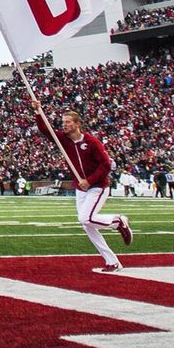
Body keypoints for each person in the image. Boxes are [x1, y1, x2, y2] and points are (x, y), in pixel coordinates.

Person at [34, 109, 132, 273]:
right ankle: (112, 262)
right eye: (63, 122)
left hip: (98, 186)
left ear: (77, 124)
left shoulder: (92, 142)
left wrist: (90, 180)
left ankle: (118, 221)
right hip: (80, 188)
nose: (64, 125)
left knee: (86, 218)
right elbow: (45, 130)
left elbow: (106, 165)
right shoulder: (63, 140)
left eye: (68, 122)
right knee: (87, 225)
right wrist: (37, 111)